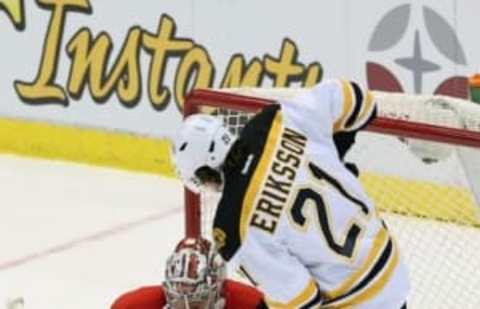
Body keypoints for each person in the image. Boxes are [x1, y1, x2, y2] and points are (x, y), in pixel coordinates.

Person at [173, 79, 410, 308]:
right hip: (392, 265)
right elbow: (351, 96)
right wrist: (335, 154)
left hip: (357, 301)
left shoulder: (232, 227)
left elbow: (300, 300)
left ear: (206, 171)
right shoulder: (272, 121)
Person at [111, 237, 267, 309]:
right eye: (178, 301)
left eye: (196, 305)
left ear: (218, 291)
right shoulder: (132, 306)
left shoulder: (251, 305)